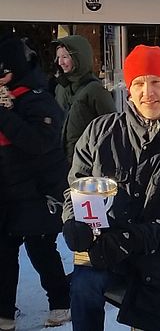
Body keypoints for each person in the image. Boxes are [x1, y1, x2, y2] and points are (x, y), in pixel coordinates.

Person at [60, 45, 160, 331]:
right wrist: (73, 222)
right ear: (129, 90)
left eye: (156, 81)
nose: (148, 92)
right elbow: (76, 188)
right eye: (139, 83)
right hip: (105, 254)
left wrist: (134, 238)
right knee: (84, 285)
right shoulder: (100, 132)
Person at [0, 37, 71, 330]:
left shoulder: (37, 97)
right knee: (3, 252)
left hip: (39, 190)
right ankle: (4, 312)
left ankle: (61, 301)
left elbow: (38, 142)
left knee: (40, 249)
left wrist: (4, 113)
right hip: (7, 190)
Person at [53, 35, 116, 163]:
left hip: (88, 164)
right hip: (61, 163)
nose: (60, 62)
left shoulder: (95, 90)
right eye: (58, 57)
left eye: (65, 57)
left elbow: (113, 128)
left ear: (79, 58)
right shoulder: (60, 88)